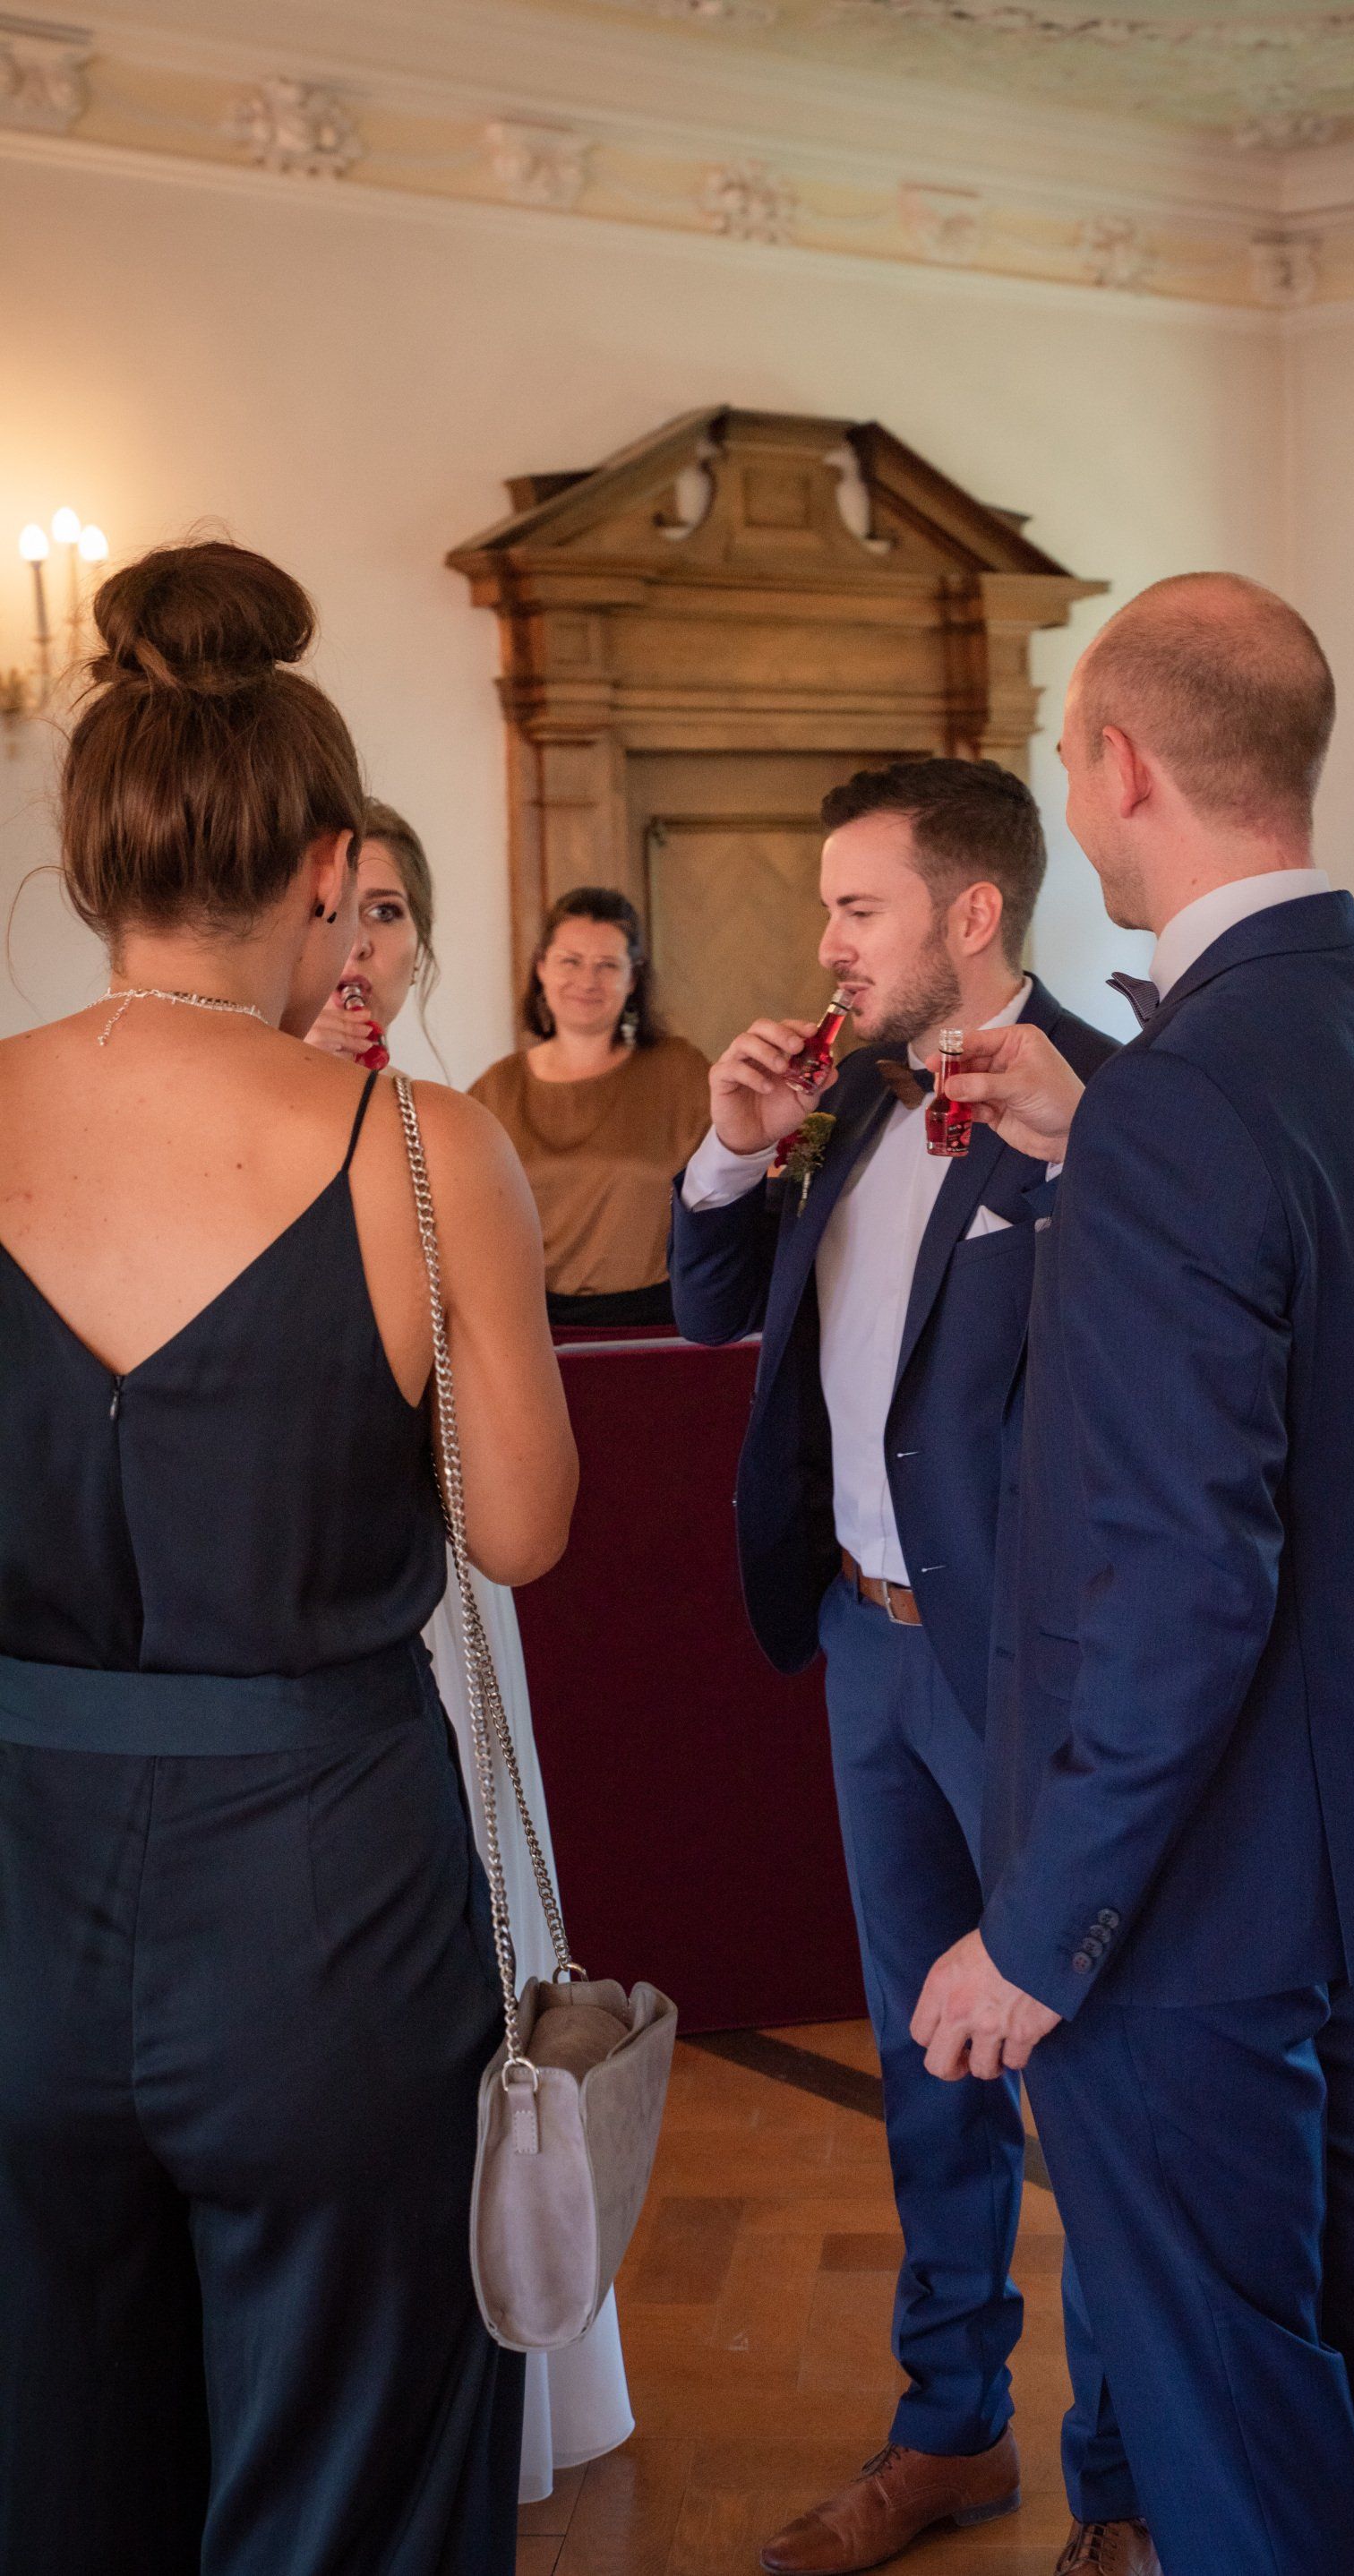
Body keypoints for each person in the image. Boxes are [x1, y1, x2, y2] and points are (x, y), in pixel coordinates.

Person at [910, 576, 1354, 2576]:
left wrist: (1038, 1930)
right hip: (1347, 1837)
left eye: (1072, 754)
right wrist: (1108, 1149)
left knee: (1230, 2415)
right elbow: (1319, 1367)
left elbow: (1184, 1576)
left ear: (1123, 766)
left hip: (1184, 1892)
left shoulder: (1189, 1093)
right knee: (1338, 2326)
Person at [0, 540, 578, 2575]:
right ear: (331, 867)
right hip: (326, 1903)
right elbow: (519, 1528)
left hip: (18, 1889)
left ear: (93, 855)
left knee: (50, 2463)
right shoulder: (420, 1144)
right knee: (356, 2478)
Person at [670, 760, 1143, 2576]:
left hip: (1029, 1672)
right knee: (924, 2067)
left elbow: (1183, 1341)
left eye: (857, 907)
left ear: (972, 912)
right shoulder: (846, 1098)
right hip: (864, 1649)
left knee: (1086, 2074)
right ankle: (951, 2430)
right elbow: (712, 1308)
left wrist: (1085, 1155)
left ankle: (1124, 2478)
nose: (826, 944)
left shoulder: (1117, 1093)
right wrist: (733, 1148)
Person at [306, 799, 634, 2504]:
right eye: (335, 910)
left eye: (389, 912)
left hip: (443, 1594)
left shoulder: (448, 1142)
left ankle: (519, 2323)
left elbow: (513, 1489)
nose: (359, 946)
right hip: (293, 1617)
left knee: (488, 1934)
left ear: (423, 938)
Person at [470, 889, 709, 1329]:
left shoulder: (682, 1072)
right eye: (570, 961)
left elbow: (729, 1196)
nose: (587, 980)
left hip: (659, 1321)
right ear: (541, 967)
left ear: (632, 979)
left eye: (607, 965)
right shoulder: (496, 1090)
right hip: (528, 1324)